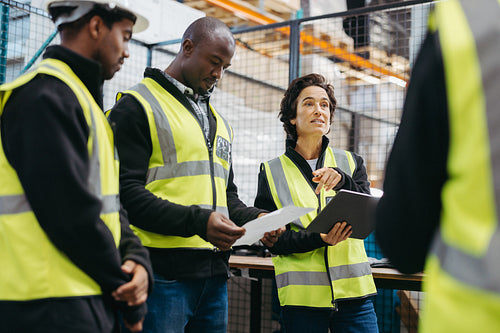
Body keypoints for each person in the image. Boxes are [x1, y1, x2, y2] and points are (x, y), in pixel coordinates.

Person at [108, 16, 280, 333]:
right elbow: (123, 195)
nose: (218, 74)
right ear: (187, 47)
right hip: (160, 276)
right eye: (214, 62)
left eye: (225, 67)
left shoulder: (219, 123)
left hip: (214, 279)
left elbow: (225, 198)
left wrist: (256, 219)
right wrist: (199, 221)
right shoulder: (137, 106)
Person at [0, 1, 152, 332]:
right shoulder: (43, 98)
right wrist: (128, 295)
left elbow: (110, 207)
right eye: (125, 36)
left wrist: (137, 259)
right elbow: (70, 213)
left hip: (80, 300)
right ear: (96, 26)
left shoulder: (82, 103)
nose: (126, 51)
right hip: (44, 307)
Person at [375, 0, 500, 332]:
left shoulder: (465, 22)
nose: (320, 112)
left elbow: (403, 240)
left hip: (475, 315)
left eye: (325, 104)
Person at [255, 73, 378, 333]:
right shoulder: (271, 171)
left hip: (355, 297)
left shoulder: (351, 163)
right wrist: (320, 239)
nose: (319, 110)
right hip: (303, 304)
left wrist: (343, 181)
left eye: (324, 105)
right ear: (292, 117)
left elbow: (367, 212)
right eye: (309, 103)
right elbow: (275, 241)